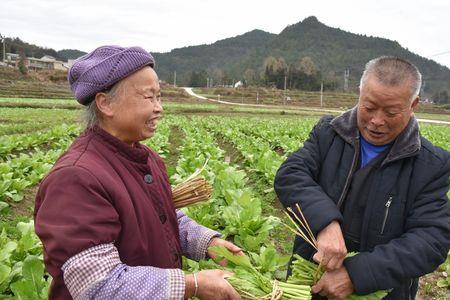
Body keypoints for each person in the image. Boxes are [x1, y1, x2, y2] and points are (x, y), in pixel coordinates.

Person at [34, 45, 242, 300]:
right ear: (105, 103)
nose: (159, 108)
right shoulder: (76, 178)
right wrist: (192, 284)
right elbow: (99, 285)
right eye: (149, 97)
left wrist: (207, 243)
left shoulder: (148, 159)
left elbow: (161, 216)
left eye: (159, 96)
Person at [274, 56, 450, 299]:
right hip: (311, 281)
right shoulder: (329, 133)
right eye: (369, 107)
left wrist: (357, 275)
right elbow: (290, 174)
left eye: (391, 112)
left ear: (413, 104)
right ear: (360, 93)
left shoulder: (431, 164)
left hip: (381, 291)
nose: (377, 121)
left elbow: (431, 240)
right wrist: (325, 222)